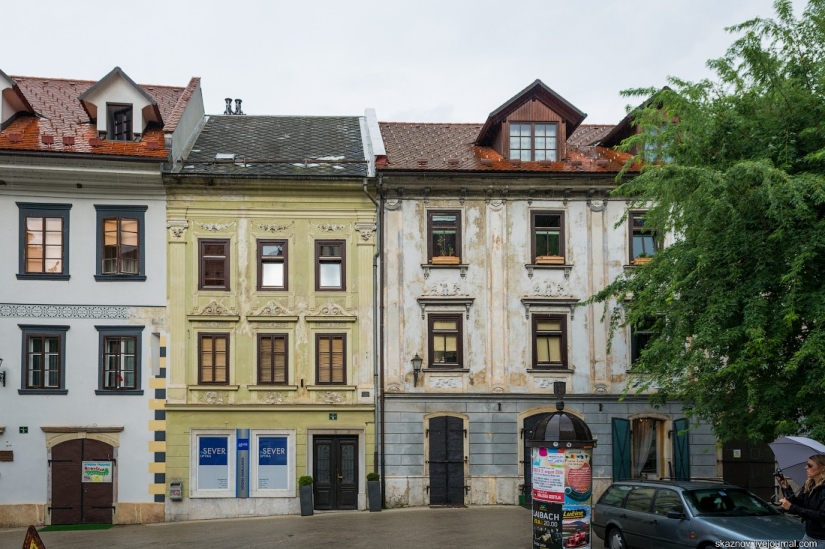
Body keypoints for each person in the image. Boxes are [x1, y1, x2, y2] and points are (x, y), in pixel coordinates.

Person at [779, 454, 825, 548]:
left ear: (822, 468)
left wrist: (792, 507)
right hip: (808, 536)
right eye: (806, 464)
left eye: (810, 465)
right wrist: (787, 488)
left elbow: (822, 515)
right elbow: (799, 503)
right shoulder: (809, 484)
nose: (806, 467)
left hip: (822, 540)